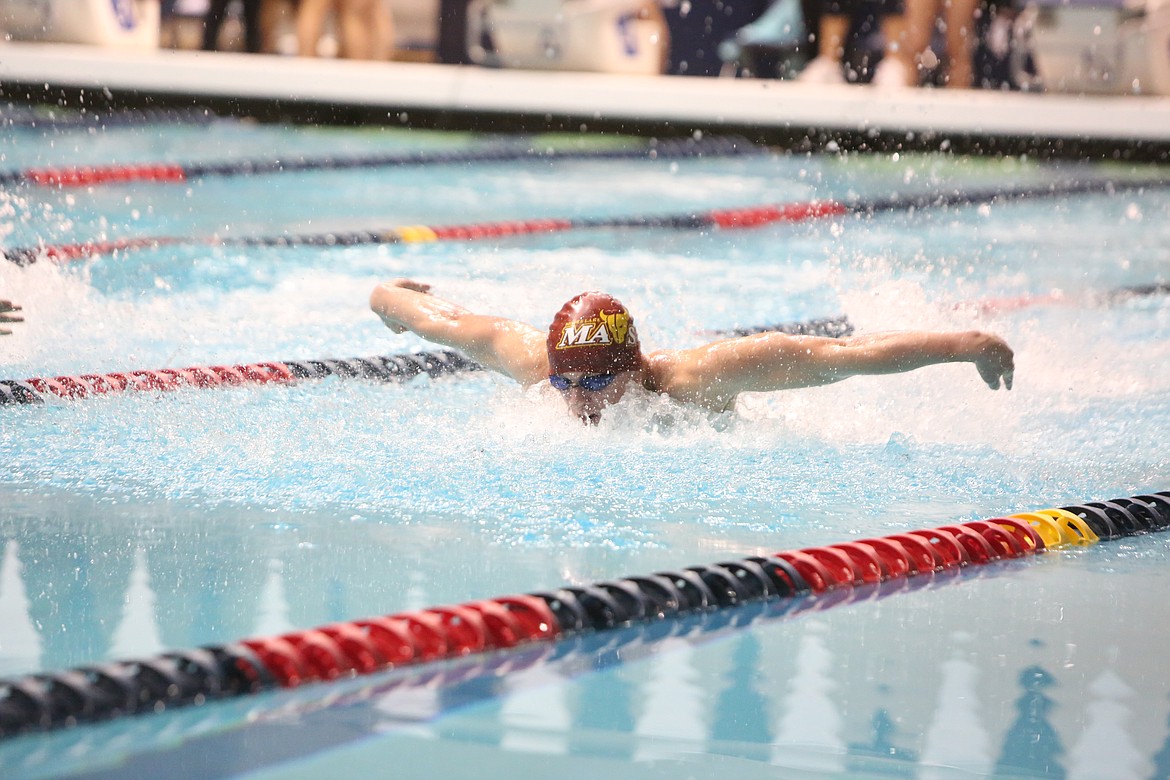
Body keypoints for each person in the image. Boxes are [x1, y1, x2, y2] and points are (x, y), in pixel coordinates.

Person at [370, 279, 1015, 425]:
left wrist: (967, 345)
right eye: (567, 387)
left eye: (592, 388)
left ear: (630, 369)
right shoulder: (541, 362)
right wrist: (386, 299)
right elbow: (445, 323)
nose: (575, 402)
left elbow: (836, 355)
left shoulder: (699, 379)